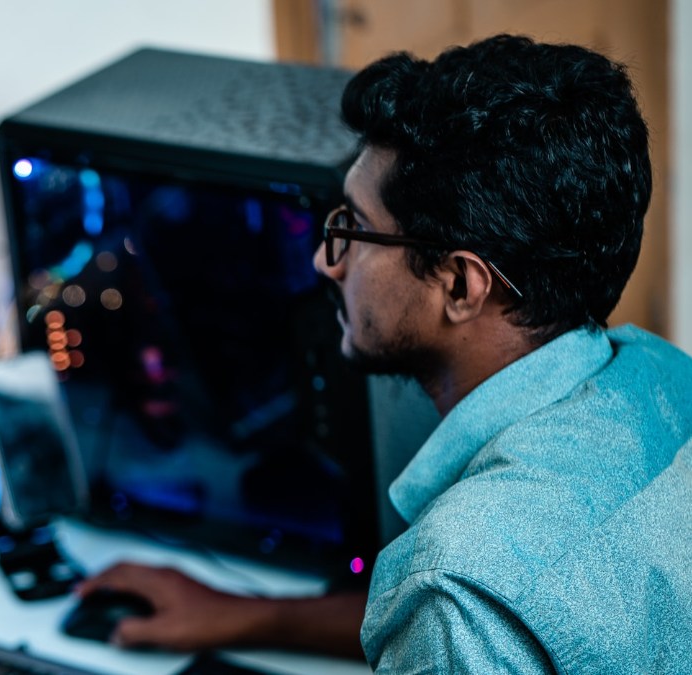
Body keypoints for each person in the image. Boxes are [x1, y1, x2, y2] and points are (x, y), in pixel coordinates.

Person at [76, 34, 692, 671]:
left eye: (354, 227)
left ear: (460, 286)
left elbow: (455, 612)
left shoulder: (455, 591)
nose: (326, 261)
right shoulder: (666, 377)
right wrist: (248, 613)